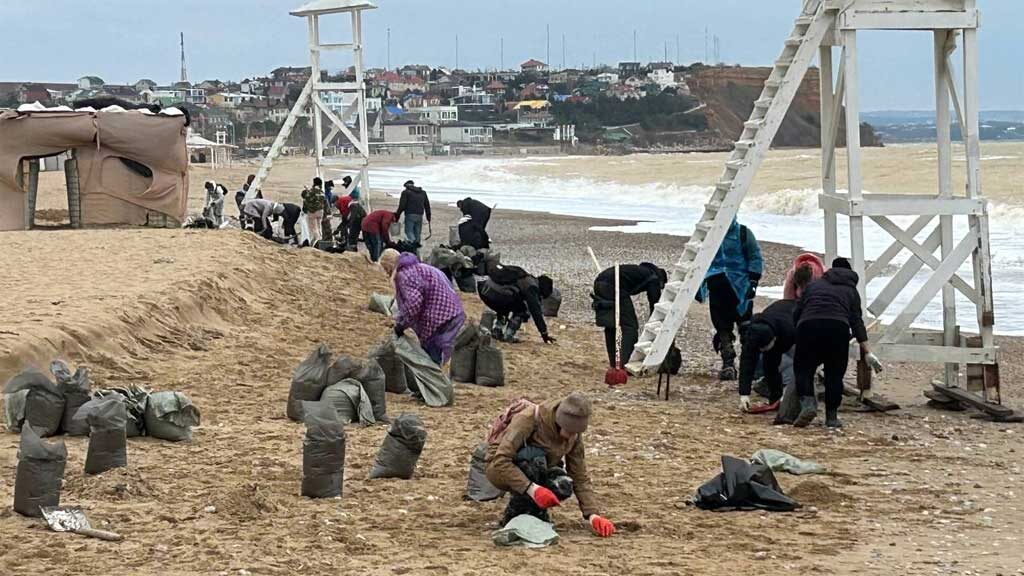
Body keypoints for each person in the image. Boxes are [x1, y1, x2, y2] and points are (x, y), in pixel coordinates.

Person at [485, 392, 616, 538]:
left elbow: (579, 476)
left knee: (563, 483)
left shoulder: (575, 434)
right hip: (500, 469)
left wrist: (593, 515)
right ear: (559, 423)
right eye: (570, 432)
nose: (572, 437)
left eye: (576, 433)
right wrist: (533, 489)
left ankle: (537, 512)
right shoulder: (528, 419)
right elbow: (501, 460)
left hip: (539, 471)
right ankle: (514, 514)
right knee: (535, 461)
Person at [792, 257, 880, 428]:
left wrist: (798, 333)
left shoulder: (813, 286)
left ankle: (809, 403)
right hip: (837, 328)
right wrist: (867, 351)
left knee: (803, 368)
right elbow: (856, 322)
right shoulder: (851, 292)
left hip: (808, 325)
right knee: (834, 374)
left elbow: (797, 312)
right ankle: (831, 417)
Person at [695, 219, 764, 381]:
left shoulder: (743, 233)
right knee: (722, 328)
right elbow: (701, 258)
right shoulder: (711, 234)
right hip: (717, 285)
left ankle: (750, 366)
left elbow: (755, 256)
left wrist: (754, 281)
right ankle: (728, 363)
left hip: (740, 287)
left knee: (745, 327)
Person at [380, 248, 465, 365]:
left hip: (440, 318)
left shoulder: (404, 274)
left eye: (386, 271)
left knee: (432, 358)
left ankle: (434, 380)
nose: (387, 274)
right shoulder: (418, 268)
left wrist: (400, 325)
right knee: (437, 353)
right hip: (453, 311)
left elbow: (414, 303)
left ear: (389, 267)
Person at [592, 263, 668, 370]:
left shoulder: (639, 271)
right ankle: (624, 363)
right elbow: (655, 305)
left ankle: (614, 363)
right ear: (661, 281)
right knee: (629, 327)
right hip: (614, 287)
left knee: (611, 325)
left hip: (599, 282)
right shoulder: (653, 277)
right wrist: (658, 325)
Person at [738, 299, 797, 413]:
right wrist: (744, 394)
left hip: (795, 320)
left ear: (774, 339)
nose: (763, 351)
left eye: (765, 347)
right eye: (760, 349)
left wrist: (787, 393)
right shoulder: (751, 336)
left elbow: (803, 360)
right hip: (775, 323)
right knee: (768, 365)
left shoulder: (790, 331)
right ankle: (775, 398)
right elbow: (746, 364)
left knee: (778, 363)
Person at [479, 264, 557, 344]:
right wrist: (544, 334)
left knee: (508, 302)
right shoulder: (532, 287)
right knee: (523, 310)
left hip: (484, 289)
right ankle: (508, 335)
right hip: (496, 295)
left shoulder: (522, 276)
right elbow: (536, 312)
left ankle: (497, 330)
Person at [395, 180, 431, 245]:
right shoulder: (423, 193)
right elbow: (427, 205)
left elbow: (402, 206)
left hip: (410, 215)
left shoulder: (405, 192)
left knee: (408, 232)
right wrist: (428, 216)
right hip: (420, 215)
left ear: (406, 186)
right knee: (417, 233)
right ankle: (417, 250)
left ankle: (413, 244)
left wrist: (397, 215)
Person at [301, 178, 326, 246]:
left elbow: (307, 198)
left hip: (312, 212)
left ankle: (318, 242)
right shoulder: (321, 192)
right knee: (319, 227)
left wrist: (307, 190)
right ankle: (320, 240)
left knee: (313, 229)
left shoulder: (312, 191)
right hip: (321, 211)